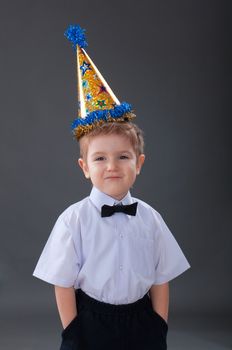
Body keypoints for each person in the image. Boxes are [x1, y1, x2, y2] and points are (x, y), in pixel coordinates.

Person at [33, 25, 190, 350]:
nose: (112, 166)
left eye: (122, 156)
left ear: (139, 163)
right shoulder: (73, 220)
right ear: (85, 168)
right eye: (100, 158)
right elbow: (62, 282)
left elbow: (162, 278)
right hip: (90, 320)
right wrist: (72, 330)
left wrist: (159, 324)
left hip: (141, 319)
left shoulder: (150, 218)